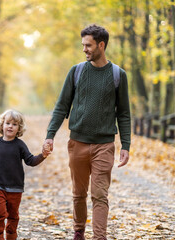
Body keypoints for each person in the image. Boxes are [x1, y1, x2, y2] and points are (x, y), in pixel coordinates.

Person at [43, 24, 131, 240]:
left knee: (100, 195)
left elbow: (124, 113)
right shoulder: (77, 71)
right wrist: (50, 135)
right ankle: (78, 231)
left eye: (88, 45)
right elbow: (62, 106)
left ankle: (99, 237)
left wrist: (126, 145)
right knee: (79, 194)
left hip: (104, 145)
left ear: (101, 45)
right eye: (83, 45)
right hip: (77, 144)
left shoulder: (118, 75)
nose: (84, 49)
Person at [0, 110, 48, 240]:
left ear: (19, 128)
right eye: (8, 123)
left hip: (15, 187)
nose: (10, 126)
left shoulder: (20, 145)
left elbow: (30, 161)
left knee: (13, 215)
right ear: (2, 125)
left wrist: (42, 155)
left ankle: (11, 236)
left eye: (15, 124)